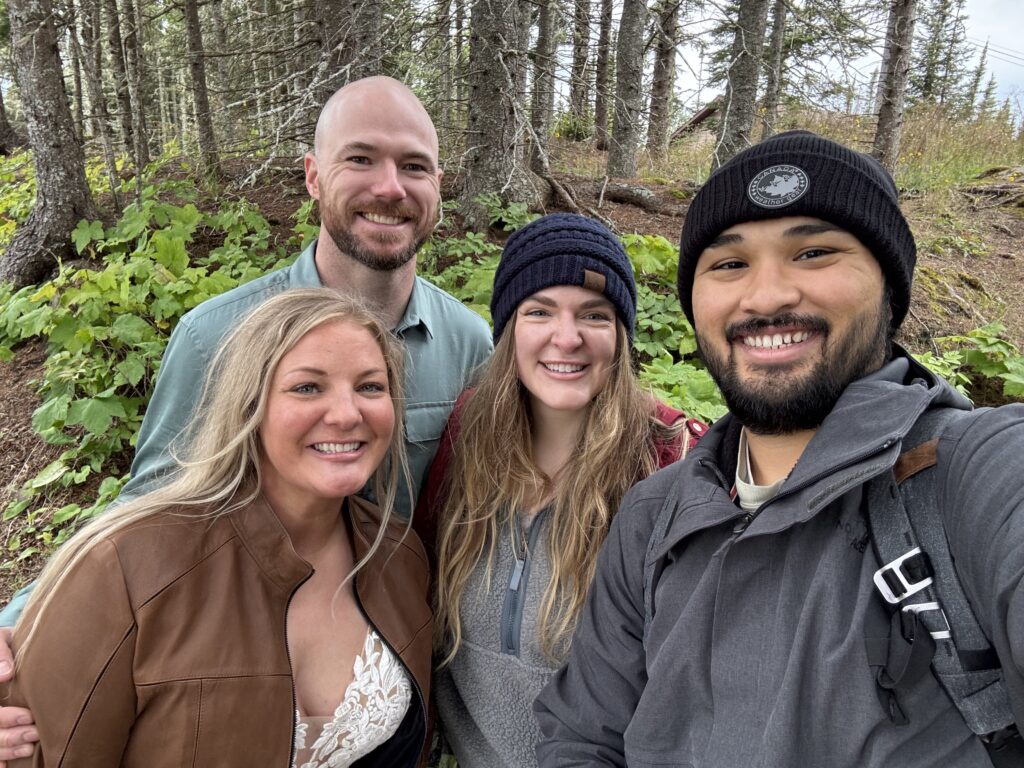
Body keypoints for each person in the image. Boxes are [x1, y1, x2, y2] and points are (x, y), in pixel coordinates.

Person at [0, 76, 491, 761]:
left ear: (439, 185)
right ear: (314, 178)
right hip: (220, 679)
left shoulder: (469, 341)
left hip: (390, 662)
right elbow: (147, 517)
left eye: (414, 166)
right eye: (360, 159)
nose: (389, 186)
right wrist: (19, 635)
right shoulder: (219, 334)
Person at [534, 131, 1024, 766]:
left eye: (814, 252)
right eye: (729, 264)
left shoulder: (977, 473)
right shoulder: (653, 517)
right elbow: (584, 737)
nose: (765, 297)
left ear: (890, 290)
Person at [4, 288, 433, 767]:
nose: (347, 413)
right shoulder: (126, 566)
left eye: (370, 387)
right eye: (308, 387)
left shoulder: (398, 556)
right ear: (249, 404)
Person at [418, 213, 705, 767]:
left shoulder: (672, 464)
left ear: (621, 335)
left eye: (593, 315)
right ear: (508, 329)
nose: (566, 337)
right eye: (540, 311)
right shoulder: (465, 443)